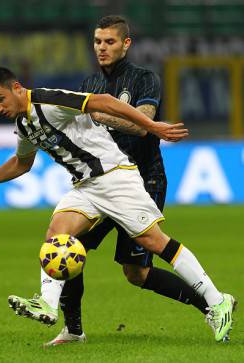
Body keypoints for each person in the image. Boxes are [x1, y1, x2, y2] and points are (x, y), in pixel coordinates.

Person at [0, 65, 234, 344]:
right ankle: (47, 304)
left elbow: (104, 102)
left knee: (154, 241)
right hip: (85, 186)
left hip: (114, 176)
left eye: (0, 99)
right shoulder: (24, 124)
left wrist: (151, 126)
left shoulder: (49, 100)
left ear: (16, 88)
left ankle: (216, 300)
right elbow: (21, 164)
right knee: (57, 233)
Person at [37, 15, 212, 347]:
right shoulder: (90, 84)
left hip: (144, 179)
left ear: (125, 44)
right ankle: (73, 330)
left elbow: (143, 123)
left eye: (109, 42)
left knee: (137, 274)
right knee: (71, 246)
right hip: (102, 182)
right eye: (97, 42)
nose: (102, 48)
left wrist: (99, 113)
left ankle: (213, 304)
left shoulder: (145, 79)